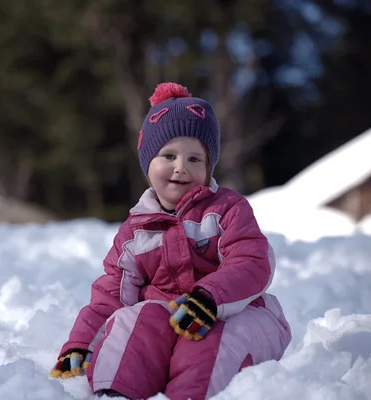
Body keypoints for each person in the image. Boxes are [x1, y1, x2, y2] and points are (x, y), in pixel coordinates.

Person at [49, 82, 292, 400]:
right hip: (169, 322)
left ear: (208, 168)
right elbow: (110, 296)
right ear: (147, 164)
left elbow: (252, 260)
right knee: (135, 320)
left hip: (236, 313)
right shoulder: (135, 234)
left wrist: (209, 297)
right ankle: (116, 392)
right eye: (169, 155)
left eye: (195, 159)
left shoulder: (227, 210)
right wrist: (80, 344)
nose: (181, 167)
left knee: (209, 342)